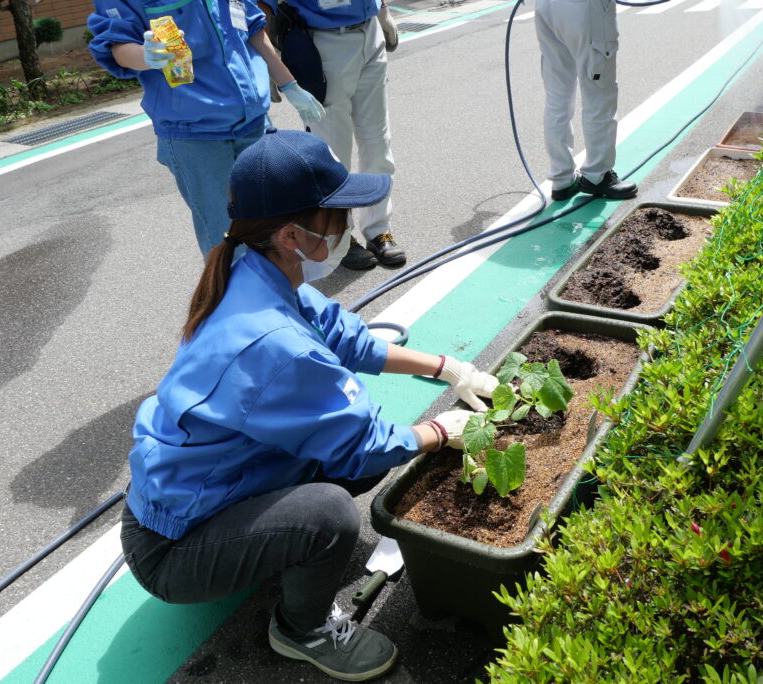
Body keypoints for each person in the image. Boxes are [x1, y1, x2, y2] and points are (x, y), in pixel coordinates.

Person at [119, 128, 498, 681]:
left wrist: (447, 367)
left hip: (206, 493)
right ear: (292, 234)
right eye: (336, 217)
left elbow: (346, 337)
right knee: (331, 511)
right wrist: (440, 432)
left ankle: (275, 546)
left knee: (353, 462)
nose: (345, 227)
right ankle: (301, 630)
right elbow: (363, 446)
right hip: (172, 550)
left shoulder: (257, 270)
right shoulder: (271, 344)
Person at [87, 0, 326, 255]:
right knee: (227, 235)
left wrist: (289, 83)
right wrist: (146, 55)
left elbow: (252, 26)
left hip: (254, 121)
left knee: (277, 224)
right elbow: (116, 44)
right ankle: (232, 283)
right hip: (195, 133)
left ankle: (278, 280)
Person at [270, 0, 405, 270]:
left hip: (369, 31)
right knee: (332, 150)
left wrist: (383, 11)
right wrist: (271, 57)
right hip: (323, 40)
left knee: (377, 140)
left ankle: (378, 229)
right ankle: (339, 237)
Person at [535, 0, 638, 202]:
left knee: (557, 96)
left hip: (545, 7)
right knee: (599, 93)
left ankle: (562, 178)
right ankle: (597, 175)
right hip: (584, 9)